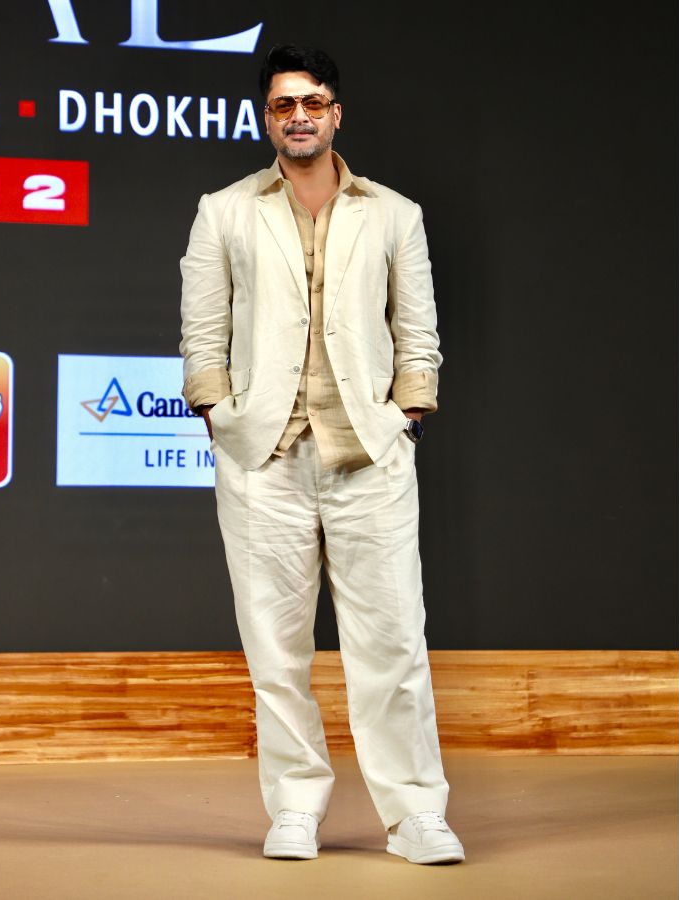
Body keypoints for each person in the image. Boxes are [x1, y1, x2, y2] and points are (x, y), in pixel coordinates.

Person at [178, 44, 464, 865]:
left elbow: (418, 330)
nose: (297, 116)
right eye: (282, 104)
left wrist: (407, 412)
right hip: (263, 461)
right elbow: (203, 331)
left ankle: (416, 815)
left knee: (394, 645)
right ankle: (295, 807)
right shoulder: (224, 211)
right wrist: (218, 412)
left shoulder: (394, 214)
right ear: (265, 117)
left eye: (311, 102)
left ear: (336, 113)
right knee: (275, 651)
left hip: (369, 456)